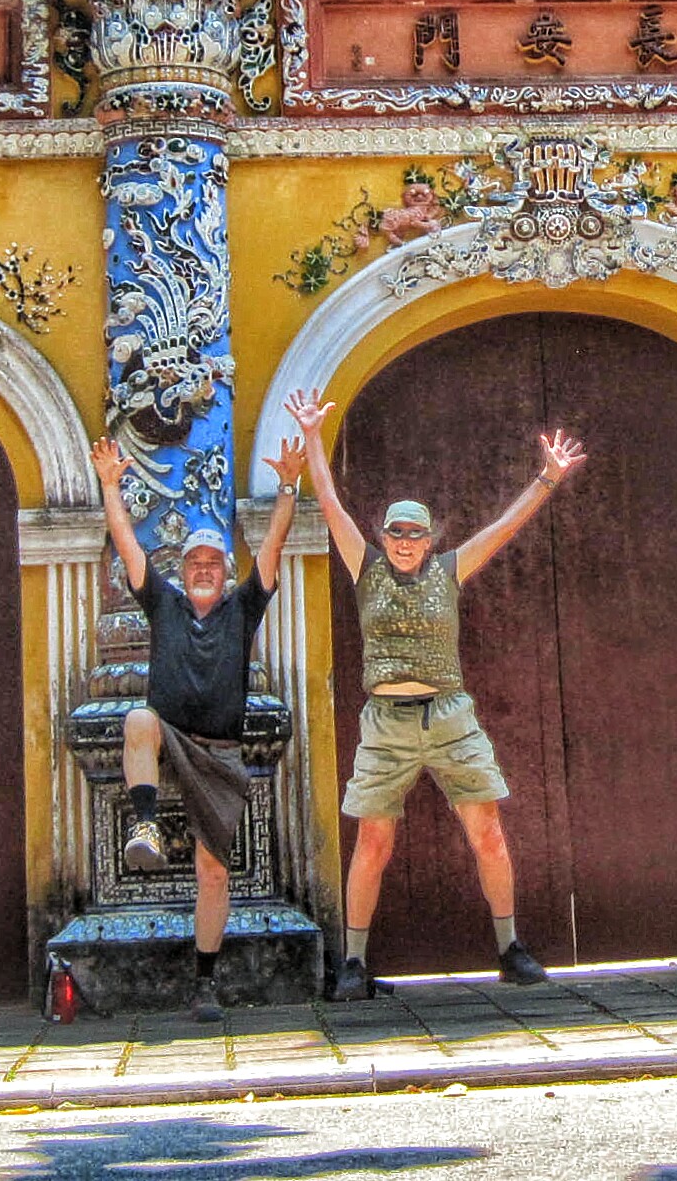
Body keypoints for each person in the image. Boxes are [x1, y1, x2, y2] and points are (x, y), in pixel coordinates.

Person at [286, 390, 586, 1001]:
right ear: (383, 536)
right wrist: (313, 437)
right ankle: (354, 961)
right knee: (374, 840)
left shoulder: (449, 570)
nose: (404, 541)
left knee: (488, 831)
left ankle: (510, 947)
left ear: (428, 540)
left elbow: (503, 529)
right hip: (386, 721)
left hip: (450, 715)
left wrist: (548, 479)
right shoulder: (366, 569)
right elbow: (331, 503)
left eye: (414, 533)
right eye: (395, 532)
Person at [90, 418, 305, 1023]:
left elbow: (272, 548)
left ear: (225, 571)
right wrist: (111, 485)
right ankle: (146, 824)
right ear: (182, 571)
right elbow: (128, 545)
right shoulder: (163, 604)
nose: (205, 569)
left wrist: (288, 488)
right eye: (195, 562)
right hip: (169, 736)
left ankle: (205, 980)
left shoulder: (243, 607)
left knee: (214, 873)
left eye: (214, 562)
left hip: (221, 751)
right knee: (139, 718)